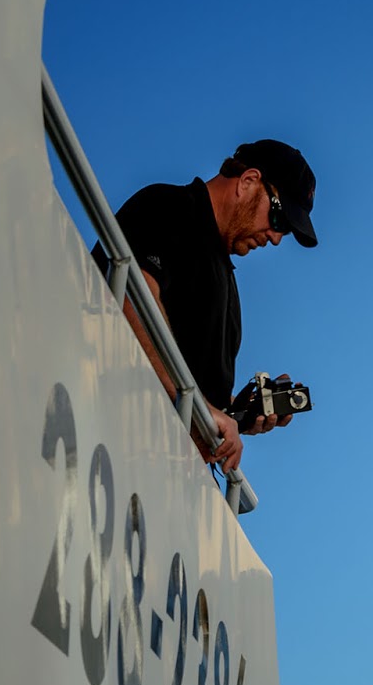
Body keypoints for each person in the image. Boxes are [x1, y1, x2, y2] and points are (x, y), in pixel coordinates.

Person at [101, 140, 318, 469]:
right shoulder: (169, 206)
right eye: (279, 217)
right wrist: (196, 405)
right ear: (247, 182)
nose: (276, 237)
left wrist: (238, 413)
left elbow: (191, 387)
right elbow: (132, 299)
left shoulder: (226, 279)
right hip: (108, 438)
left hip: (161, 474)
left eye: (285, 231)